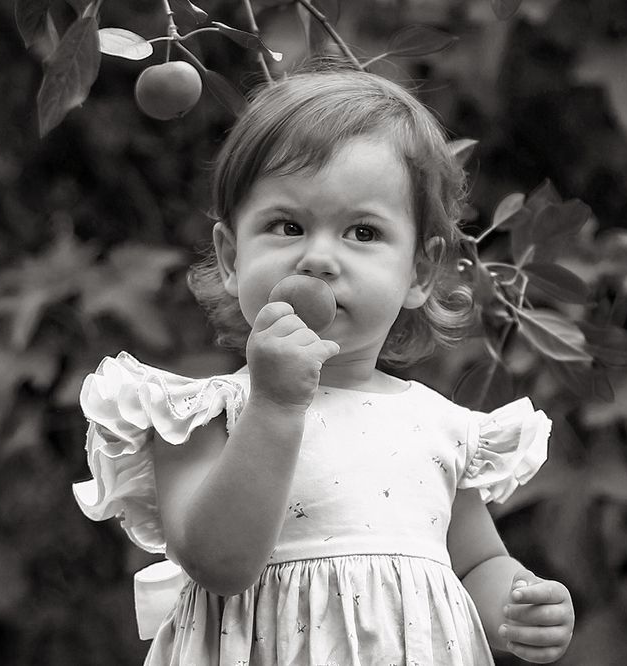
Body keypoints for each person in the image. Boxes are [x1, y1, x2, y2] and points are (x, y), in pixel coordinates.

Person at [72, 61, 574, 665]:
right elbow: (218, 563)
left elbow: (477, 563)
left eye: (362, 233)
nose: (318, 259)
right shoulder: (201, 416)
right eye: (287, 226)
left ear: (418, 272)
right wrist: (275, 405)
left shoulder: (440, 427)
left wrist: (517, 606)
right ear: (231, 257)